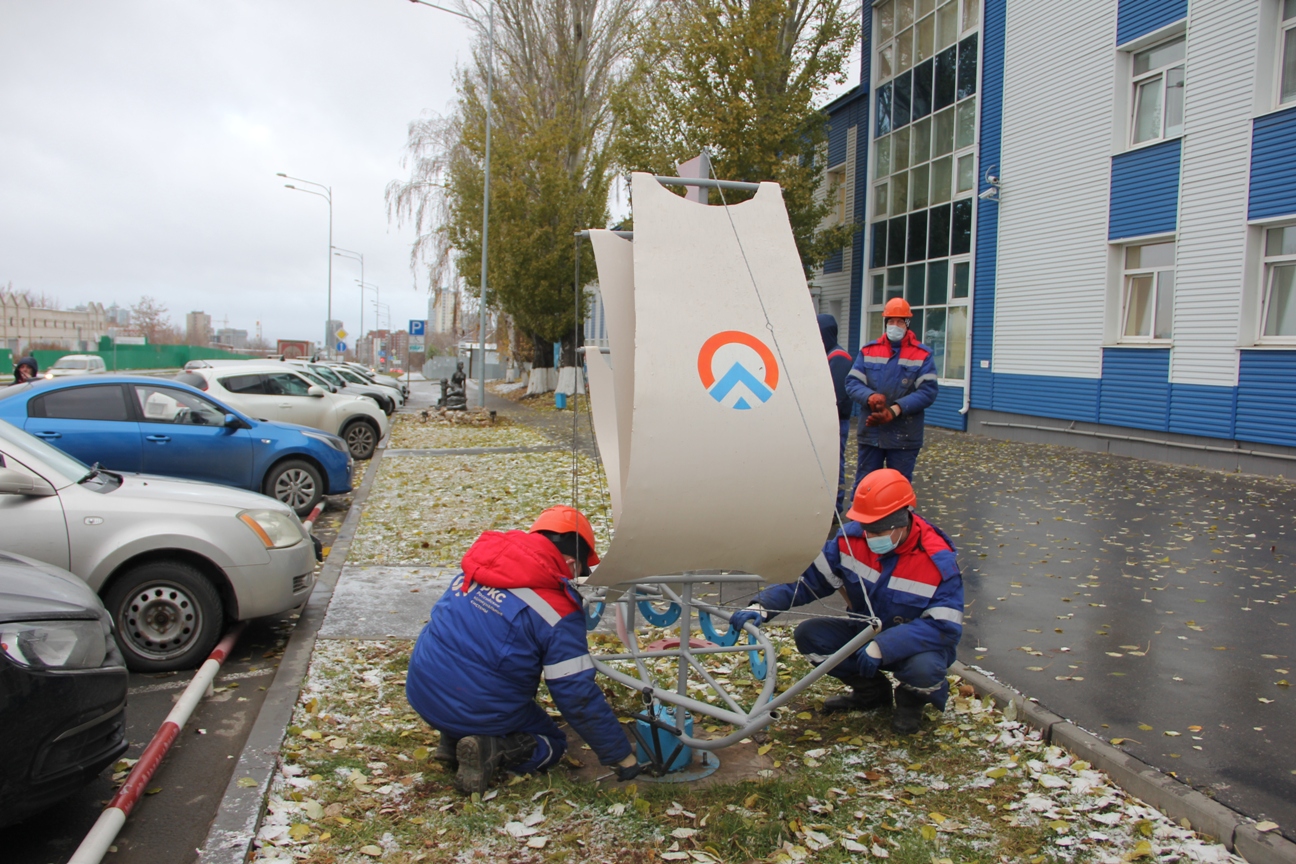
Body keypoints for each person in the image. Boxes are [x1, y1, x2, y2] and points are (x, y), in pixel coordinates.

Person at [405, 505, 640, 793]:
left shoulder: (484, 566)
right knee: (553, 745)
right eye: (580, 568)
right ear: (568, 563)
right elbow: (575, 694)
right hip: (476, 706)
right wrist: (619, 754)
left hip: (422, 690)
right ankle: (492, 748)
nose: (579, 578)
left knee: (468, 671)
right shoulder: (557, 611)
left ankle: (451, 740)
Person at [729, 469, 963, 734]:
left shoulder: (936, 560)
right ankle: (872, 692)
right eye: (867, 529)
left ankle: (911, 705)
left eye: (878, 530)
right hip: (864, 633)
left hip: (913, 647)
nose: (870, 538)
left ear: (902, 521)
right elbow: (808, 580)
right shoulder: (850, 540)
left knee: (925, 668)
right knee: (811, 635)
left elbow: (944, 628)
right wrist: (763, 606)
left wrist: (883, 647)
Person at [845, 298, 938, 486]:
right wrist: (870, 397)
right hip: (871, 434)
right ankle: (862, 517)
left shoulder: (922, 355)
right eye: (891, 321)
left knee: (898, 489)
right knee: (866, 486)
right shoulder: (869, 351)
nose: (895, 325)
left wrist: (894, 410)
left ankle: (898, 517)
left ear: (907, 324)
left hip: (904, 435)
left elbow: (927, 392)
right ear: (885, 323)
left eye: (900, 321)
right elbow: (852, 382)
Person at [818, 314, 855, 514]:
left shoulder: (839, 358)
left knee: (834, 464)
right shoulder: (827, 355)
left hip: (835, 422)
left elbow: (837, 397)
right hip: (828, 421)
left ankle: (835, 507)